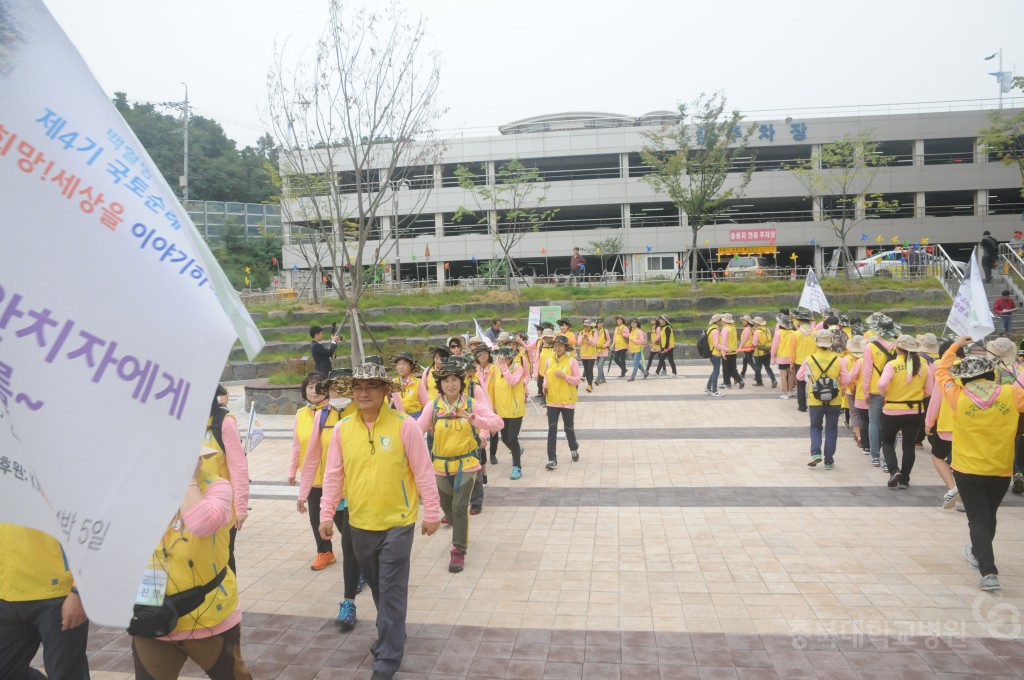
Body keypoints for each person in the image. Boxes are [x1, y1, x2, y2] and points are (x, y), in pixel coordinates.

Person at [313, 362, 442, 680]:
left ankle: (387, 659)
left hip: (398, 522)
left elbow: (423, 470)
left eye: (371, 385)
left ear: (386, 391)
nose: (363, 392)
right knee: (378, 588)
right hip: (359, 524)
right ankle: (393, 632)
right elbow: (333, 475)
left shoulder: (404, 425)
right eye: (358, 387)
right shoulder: (344, 429)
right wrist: (326, 513)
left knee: (391, 588)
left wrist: (433, 512)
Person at [130, 447, 251, 680]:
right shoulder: (139, 491)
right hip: (152, 616)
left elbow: (201, 523)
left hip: (208, 615)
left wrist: (185, 479)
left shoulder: (217, 487)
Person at [936, 337, 1024, 591]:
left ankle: (988, 572)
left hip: (967, 469)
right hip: (1000, 469)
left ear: (963, 378)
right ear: (991, 373)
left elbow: (942, 371)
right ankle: (977, 551)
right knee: (988, 515)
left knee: (978, 519)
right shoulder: (1012, 394)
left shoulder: (957, 396)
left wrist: (954, 347)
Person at [417, 359, 503, 572]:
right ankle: (460, 529)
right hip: (441, 466)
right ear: (440, 385)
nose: (451, 384)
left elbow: (497, 423)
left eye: (455, 379)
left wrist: (476, 420)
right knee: (447, 507)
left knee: (459, 508)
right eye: (446, 381)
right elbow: (416, 431)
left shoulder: (472, 404)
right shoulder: (433, 406)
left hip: (467, 464)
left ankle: (458, 550)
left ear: (462, 382)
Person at [0, 524, 89, 680]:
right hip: (6, 593)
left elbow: (92, 525)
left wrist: (79, 591)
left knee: (67, 675)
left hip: (58, 595)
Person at [289, 373, 346, 571]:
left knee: (341, 521)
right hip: (313, 476)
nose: (313, 391)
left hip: (336, 478)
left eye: (318, 387)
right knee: (316, 519)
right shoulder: (300, 414)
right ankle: (325, 552)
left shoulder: (335, 411)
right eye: (309, 387)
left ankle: (356, 556)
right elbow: (297, 445)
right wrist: (292, 470)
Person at [204, 385, 250, 576]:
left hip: (221, 508)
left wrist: (240, 507)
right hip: (193, 505)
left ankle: (231, 604)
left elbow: (239, 467)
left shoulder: (223, 422)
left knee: (223, 558)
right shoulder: (183, 423)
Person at [877, 335, 933, 488]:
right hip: (915, 411)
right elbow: (929, 390)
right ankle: (905, 479)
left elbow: (881, 384)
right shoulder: (924, 366)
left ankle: (894, 470)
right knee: (908, 445)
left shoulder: (892, 364)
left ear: (898, 348)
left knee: (887, 442)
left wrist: (886, 393)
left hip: (892, 409)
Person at [923, 338, 965, 509]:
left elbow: (936, 399)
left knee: (938, 455)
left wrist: (929, 422)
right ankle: (963, 499)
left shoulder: (944, 371)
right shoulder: (974, 368)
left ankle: (952, 487)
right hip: (968, 424)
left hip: (946, 423)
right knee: (963, 462)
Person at [798, 329, 848, 469]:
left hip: (815, 399)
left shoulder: (810, 359)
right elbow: (846, 379)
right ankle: (828, 460)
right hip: (835, 399)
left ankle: (815, 453)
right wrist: (840, 385)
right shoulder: (838, 359)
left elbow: (799, 377)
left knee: (815, 427)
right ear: (831, 343)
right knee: (831, 429)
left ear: (817, 343)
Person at [861, 315, 900, 468]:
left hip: (875, 389)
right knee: (892, 426)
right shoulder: (899, 346)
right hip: (894, 391)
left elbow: (867, 372)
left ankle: (875, 456)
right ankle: (888, 459)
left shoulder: (870, 347)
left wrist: (865, 392)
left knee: (874, 422)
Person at [542, 334, 582, 469]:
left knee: (568, 428)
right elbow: (546, 376)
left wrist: (565, 376)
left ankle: (573, 447)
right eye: (555, 345)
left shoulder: (572, 361)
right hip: (552, 400)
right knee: (552, 429)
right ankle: (552, 459)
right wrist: (545, 386)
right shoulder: (549, 361)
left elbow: (577, 380)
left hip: (567, 400)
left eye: (560, 345)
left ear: (566, 347)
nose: (558, 348)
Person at [492, 346, 527, 480]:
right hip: (501, 409)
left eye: (505, 357)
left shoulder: (517, 368)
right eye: (500, 357)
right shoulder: (496, 368)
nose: (502, 359)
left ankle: (516, 467)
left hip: (515, 409)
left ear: (510, 357)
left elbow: (512, 381)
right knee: (505, 438)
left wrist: (504, 367)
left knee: (512, 438)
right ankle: (517, 450)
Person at [789, 310, 815, 411]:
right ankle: (813, 404)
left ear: (799, 321)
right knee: (813, 384)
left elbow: (792, 350)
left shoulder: (796, 334)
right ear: (809, 321)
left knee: (800, 384)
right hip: (813, 362)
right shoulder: (815, 333)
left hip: (799, 362)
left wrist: (791, 362)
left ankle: (802, 406)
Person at [716, 313, 744, 389]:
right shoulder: (733, 327)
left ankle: (727, 383)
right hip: (734, 350)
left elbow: (724, 342)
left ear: (724, 321)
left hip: (727, 351)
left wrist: (723, 352)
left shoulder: (725, 329)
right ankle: (740, 380)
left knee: (725, 368)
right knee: (733, 368)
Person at [391, 352, 422, 418]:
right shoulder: (393, 383)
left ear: (411, 366)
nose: (401, 367)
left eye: (404, 364)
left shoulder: (418, 382)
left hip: (416, 418)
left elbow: (426, 403)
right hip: (398, 418)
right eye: (399, 364)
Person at [772, 311, 795, 398]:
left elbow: (774, 346)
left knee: (783, 375)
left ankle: (785, 394)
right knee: (791, 374)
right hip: (791, 357)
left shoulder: (778, 333)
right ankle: (791, 391)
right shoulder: (793, 332)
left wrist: (772, 357)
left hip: (782, 357)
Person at [750, 317, 777, 388]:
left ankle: (759, 382)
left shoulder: (757, 331)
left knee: (758, 368)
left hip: (759, 352)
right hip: (767, 351)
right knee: (767, 367)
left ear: (757, 323)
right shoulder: (767, 329)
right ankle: (773, 379)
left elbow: (754, 344)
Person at [705, 314, 724, 397]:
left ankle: (708, 387)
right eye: (720, 320)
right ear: (717, 321)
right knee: (716, 372)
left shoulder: (710, 329)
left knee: (714, 371)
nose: (722, 321)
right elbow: (716, 344)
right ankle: (714, 390)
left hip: (712, 353)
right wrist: (725, 349)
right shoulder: (715, 331)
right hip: (715, 353)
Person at [578, 319, 599, 392]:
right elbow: (579, 343)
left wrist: (588, 340)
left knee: (590, 369)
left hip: (591, 354)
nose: (586, 327)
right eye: (585, 326)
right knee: (586, 370)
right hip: (583, 354)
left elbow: (594, 344)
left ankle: (589, 385)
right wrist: (583, 338)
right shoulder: (581, 333)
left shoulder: (594, 333)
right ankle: (589, 383)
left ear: (591, 326)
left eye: (588, 326)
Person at [595, 318, 612, 384]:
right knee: (599, 366)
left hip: (604, 351)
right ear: (596, 324)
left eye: (602, 323)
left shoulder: (605, 331)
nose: (601, 324)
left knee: (600, 365)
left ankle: (597, 379)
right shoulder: (594, 331)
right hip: (596, 351)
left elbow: (609, 340)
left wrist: (605, 345)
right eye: (599, 323)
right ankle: (603, 379)